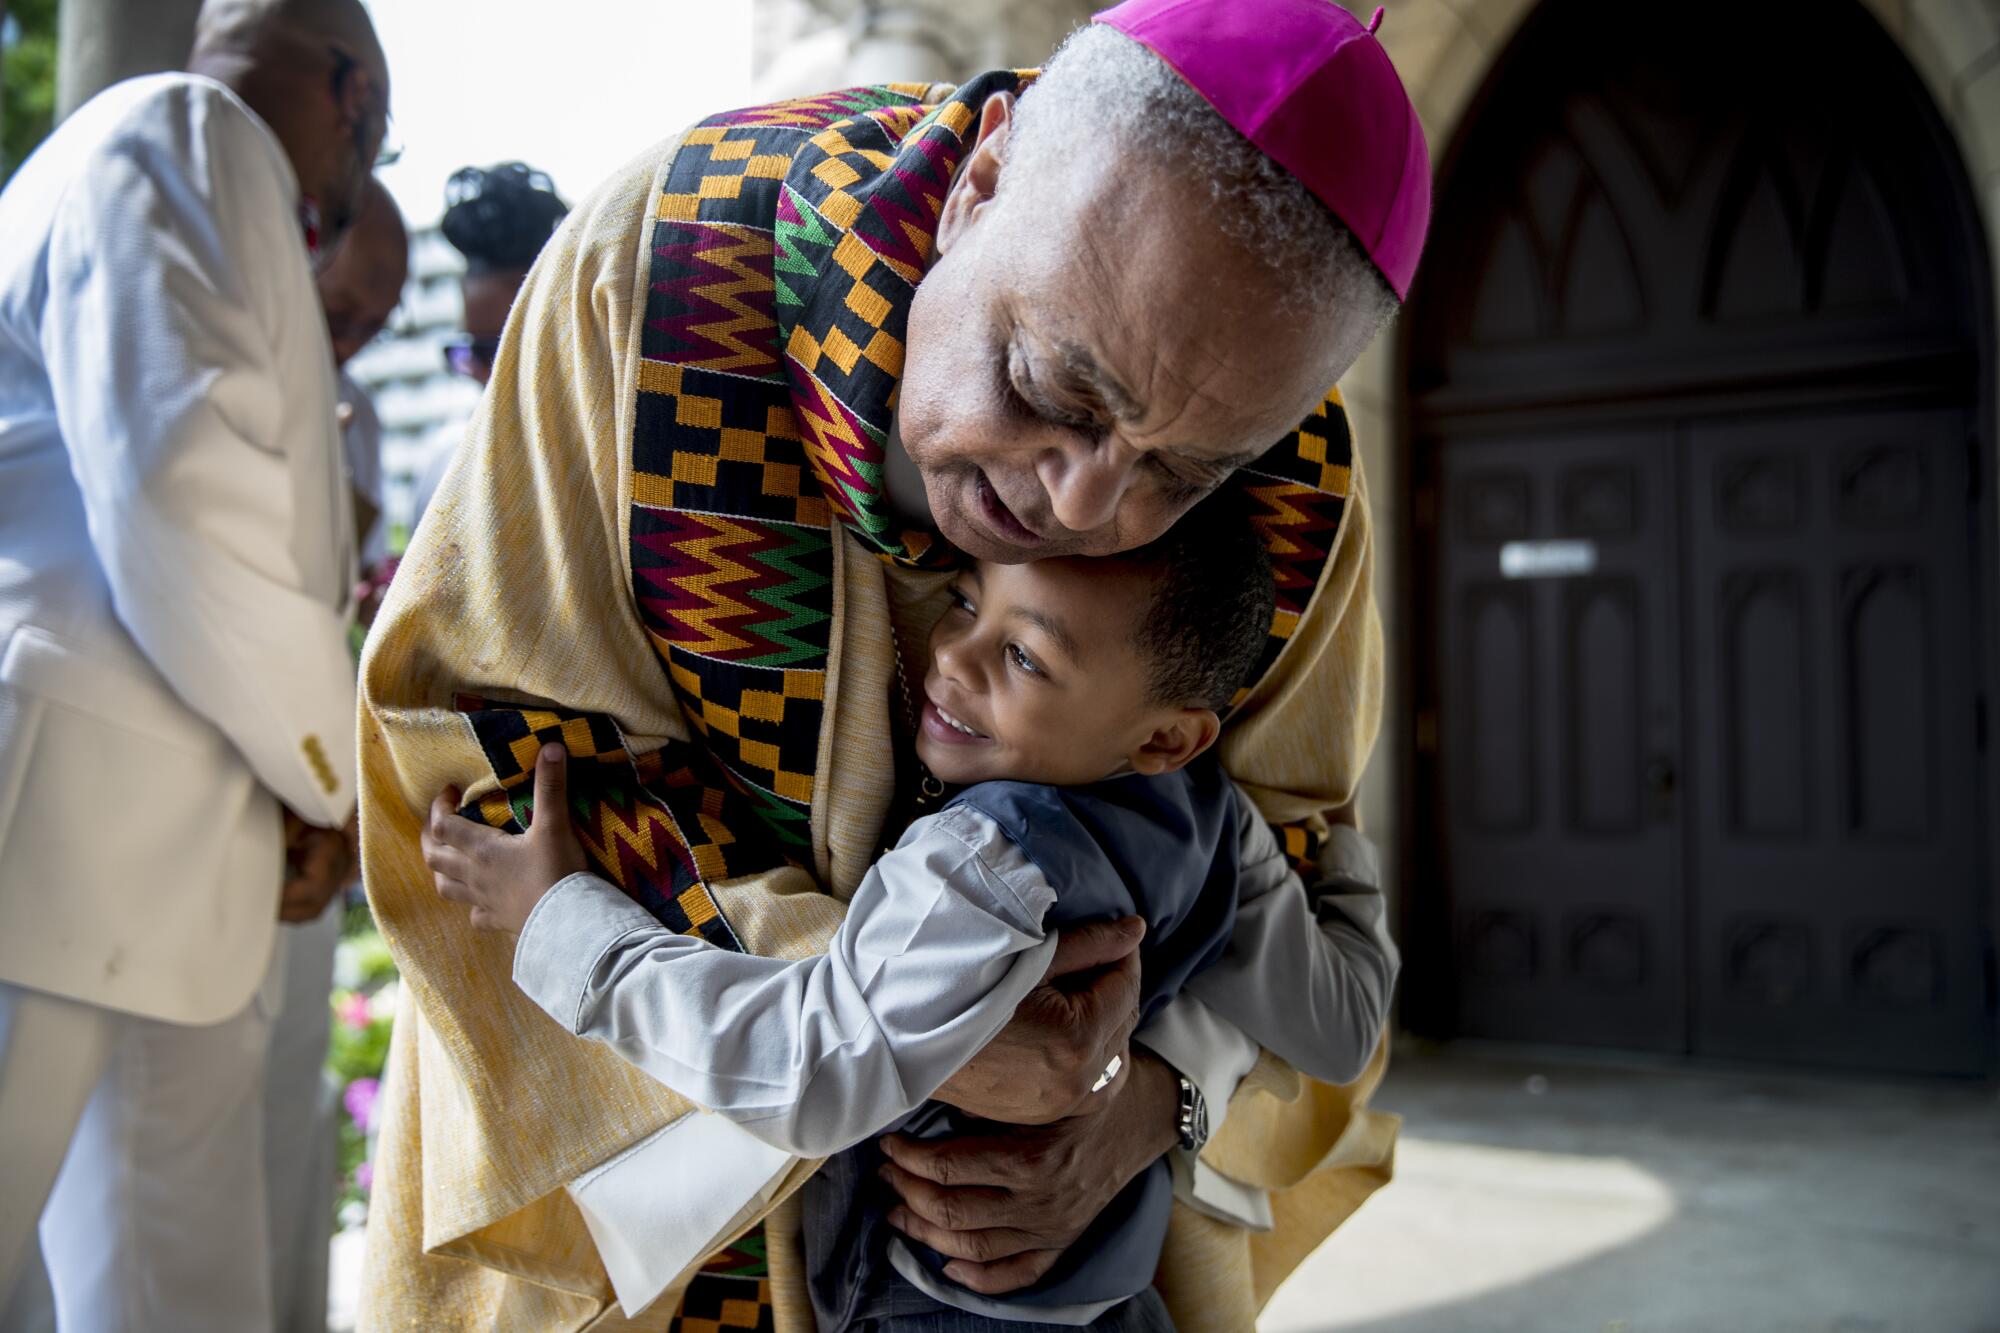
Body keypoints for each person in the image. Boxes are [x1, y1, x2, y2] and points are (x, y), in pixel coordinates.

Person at [356, 0, 1427, 1327]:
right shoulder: (662, 278)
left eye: (1179, 473)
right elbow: (479, 762)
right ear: (978, 188)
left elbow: (1292, 857)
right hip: (659, 1245)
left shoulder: (1288, 472)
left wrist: (1153, 1099)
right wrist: (936, 1029)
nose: (1087, 507)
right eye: (1051, 386)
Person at [420, 494, 1395, 1331]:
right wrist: (1346, 853)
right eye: (967, 600)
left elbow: (807, 1069)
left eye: (1021, 654)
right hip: (1116, 1300)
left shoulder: (979, 861)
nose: (951, 658)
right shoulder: (1213, 815)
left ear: (1165, 734)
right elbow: (1341, 1028)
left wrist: (555, 917)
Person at [0, 0, 389, 1328]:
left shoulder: (173, 153)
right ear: (350, 94)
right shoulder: (183, 125)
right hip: (58, 840)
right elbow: (180, 491)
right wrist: (332, 777)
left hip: (160, 870)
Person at [257, 175, 408, 1333]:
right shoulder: (239, 380)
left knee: (283, 1130)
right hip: (252, 784)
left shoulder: (356, 414)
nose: (351, 333)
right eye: (343, 305)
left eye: (375, 320)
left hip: (313, 814)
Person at [404, 162, 569, 531]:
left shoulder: (610, 458)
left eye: (502, 349)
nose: (481, 373)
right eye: (472, 352)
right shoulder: (445, 466)